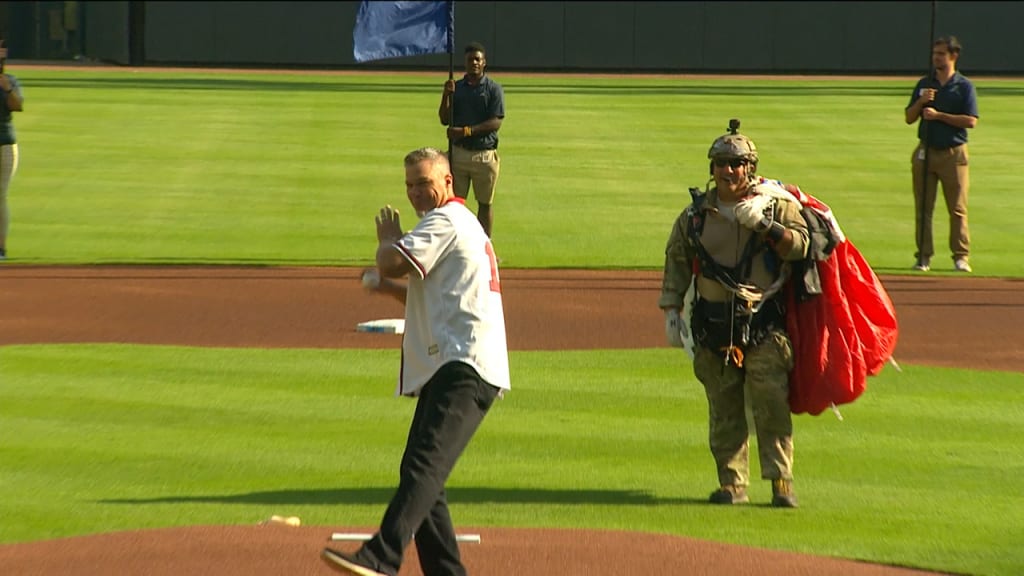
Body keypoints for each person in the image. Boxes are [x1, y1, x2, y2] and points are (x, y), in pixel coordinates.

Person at [321, 147, 510, 576]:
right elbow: (430, 297)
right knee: (423, 472)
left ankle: (381, 556)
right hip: (462, 363)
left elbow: (391, 258)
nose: (416, 193)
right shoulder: (459, 225)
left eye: (424, 183)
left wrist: (388, 240)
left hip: (464, 364)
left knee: (423, 465)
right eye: (409, 185)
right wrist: (385, 287)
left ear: (448, 182)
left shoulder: (446, 221)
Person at [658, 122, 809, 508]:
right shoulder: (695, 216)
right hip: (712, 327)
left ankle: (781, 481)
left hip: (763, 325)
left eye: (737, 164)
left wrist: (765, 225)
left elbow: (801, 246)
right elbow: (677, 259)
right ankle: (732, 484)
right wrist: (671, 310)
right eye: (722, 163)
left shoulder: (776, 207)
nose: (729, 171)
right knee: (724, 407)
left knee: (770, 401)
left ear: (750, 168)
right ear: (712, 169)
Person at [905, 35, 978, 273]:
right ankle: (923, 256)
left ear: (953, 56)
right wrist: (921, 102)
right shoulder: (926, 84)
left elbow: (970, 120)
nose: (936, 58)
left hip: (953, 154)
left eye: (941, 54)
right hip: (926, 151)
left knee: (957, 208)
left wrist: (939, 116)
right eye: (934, 53)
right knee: (923, 207)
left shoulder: (964, 86)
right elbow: (909, 117)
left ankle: (960, 256)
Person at [438, 41, 504, 239]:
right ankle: (455, 247)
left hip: (484, 155)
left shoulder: (493, 89)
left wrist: (465, 131)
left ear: (484, 63)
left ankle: (485, 248)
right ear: (464, 63)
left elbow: (495, 122)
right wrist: (445, 95)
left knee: (484, 203)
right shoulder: (457, 88)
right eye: (470, 60)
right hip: (458, 154)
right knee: (455, 204)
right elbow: (443, 119)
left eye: (477, 59)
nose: (474, 63)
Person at [0, 40, 25, 261]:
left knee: (0, 195)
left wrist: (6, 88)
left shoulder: (10, 81)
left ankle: (0, 248)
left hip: (4, 145)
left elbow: (17, 105)